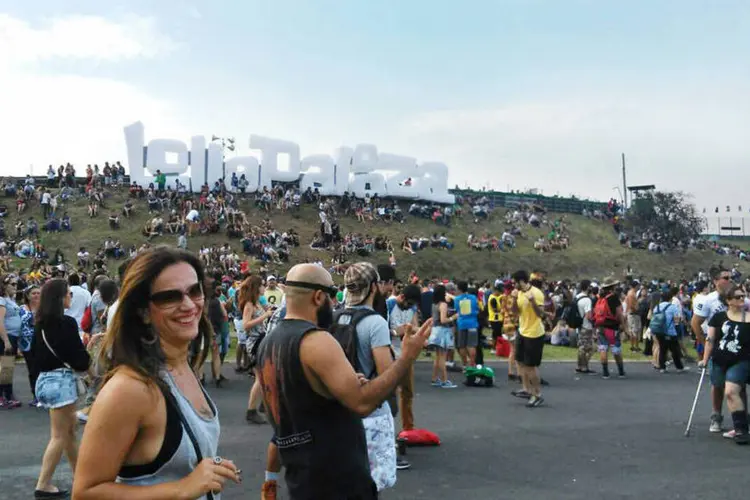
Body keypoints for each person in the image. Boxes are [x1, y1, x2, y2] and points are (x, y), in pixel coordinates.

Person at [72, 247, 240, 499]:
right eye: (169, 297)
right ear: (142, 311)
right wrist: (182, 488)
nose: (188, 304)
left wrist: (204, 468)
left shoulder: (182, 366)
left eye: (195, 291)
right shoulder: (131, 389)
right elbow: (86, 493)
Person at [256, 263, 433, 499]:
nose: (335, 301)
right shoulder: (316, 340)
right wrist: (407, 358)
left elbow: (289, 412)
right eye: (331, 294)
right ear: (319, 297)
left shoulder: (268, 344)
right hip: (337, 479)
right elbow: (362, 404)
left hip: (302, 477)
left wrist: (343, 385)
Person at [33, 278, 91, 498]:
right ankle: (43, 484)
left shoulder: (40, 323)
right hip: (62, 382)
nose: (71, 296)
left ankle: (80, 476)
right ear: (60, 297)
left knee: (68, 432)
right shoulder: (66, 323)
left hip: (46, 381)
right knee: (60, 435)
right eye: (69, 293)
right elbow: (79, 359)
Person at [701, 284, 750, 444]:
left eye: (743, 296)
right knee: (719, 387)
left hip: (741, 360)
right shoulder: (719, 317)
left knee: (731, 391)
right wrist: (705, 358)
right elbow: (711, 340)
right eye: (738, 297)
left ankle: (741, 430)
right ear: (729, 301)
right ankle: (737, 424)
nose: (742, 299)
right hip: (719, 359)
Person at [691, 267, 734, 433]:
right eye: (725, 278)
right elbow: (696, 322)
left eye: (730, 277)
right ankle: (716, 415)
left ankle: (740, 417)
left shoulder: (737, 297)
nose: (729, 280)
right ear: (716, 281)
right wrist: (705, 343)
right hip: (717, 347)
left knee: (737, 384)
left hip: (736, 347)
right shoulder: (708, 300)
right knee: (717, 384)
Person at [386, 283, 422, 433]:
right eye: (408, 303)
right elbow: (379, 330)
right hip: (389, 355)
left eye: (413, 305)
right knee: (388, 395)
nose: (410, 307)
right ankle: (387, 430)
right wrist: (396, 331)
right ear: (402, 297)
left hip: (405, 355)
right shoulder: (388, 305)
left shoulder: (412, 309)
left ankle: (408, 428)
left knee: (407, 393)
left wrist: (416, 331)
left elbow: (416, 327)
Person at [510, 270, 545, 407]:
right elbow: (515, 312)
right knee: (520, 361)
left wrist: (532, 302)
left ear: (521, 281)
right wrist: (513, 299)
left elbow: (540, 314)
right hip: (522, 331)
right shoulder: (518, 293)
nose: (514, 285)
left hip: (534, 333)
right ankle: (526, 389)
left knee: (531, 366)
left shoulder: (536, 293)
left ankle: (537, 394)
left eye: (515, 283)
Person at [593, 277, 627, 379]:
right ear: (612, 287)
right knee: (616, 349)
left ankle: (605, 372)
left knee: (603, 348)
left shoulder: (600, 298)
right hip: (612, 327)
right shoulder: (614, 298)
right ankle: (621, 371)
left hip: (601, 326)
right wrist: (623, 325)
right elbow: (619, 313)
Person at [428, 284, 458, 387]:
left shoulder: (434, 304)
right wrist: (453, 317)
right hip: (442, 331)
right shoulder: (443, 304)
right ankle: (445, 380)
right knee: (442, 357)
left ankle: (434, 378)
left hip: (435, 330)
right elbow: (443, 320)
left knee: (437, 356)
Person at [0, 273, 23, 408]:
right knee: (6, 368)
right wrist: (6, 340)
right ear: (4, 285)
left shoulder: (10, 300)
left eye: (16, 284)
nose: (16, 286)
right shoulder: (2, 300)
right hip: (6, 337)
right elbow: (0, 321)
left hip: (13, 337)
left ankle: (8, 395)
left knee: (7, 368)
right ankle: (5, 396)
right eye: (13, 284)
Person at [652, 289, 687, 373]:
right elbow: (676, 321)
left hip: (659, 331)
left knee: (662, 349)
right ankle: (679, 367)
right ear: (670, 298)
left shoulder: (657, 307)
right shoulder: (672, 307)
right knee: (675, 350)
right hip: (670, 331)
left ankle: (662, 367)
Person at [19, 284, 41, 407]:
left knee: (42, 369)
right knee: (32, 370)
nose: (36, 295)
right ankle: (35, 396)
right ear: (27, 296)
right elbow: (19, 326)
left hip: (41, 343)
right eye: (33, 293)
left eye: (38, 293)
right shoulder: (22, 309)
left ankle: (42, 395)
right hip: (26, 343)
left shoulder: (44, 308)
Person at [453, 281, 480, 367]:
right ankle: (472, 364)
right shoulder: (473, 297)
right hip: (472, 324)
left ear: (459, 289)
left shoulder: (457, 299)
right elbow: (477, 308)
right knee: (471, 345)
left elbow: (457, 310)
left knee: (462, 345)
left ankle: (464, 365)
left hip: (462, 324)